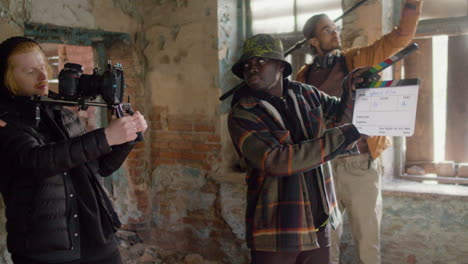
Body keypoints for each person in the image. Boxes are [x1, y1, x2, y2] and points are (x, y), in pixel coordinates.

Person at [0, 36, 148, 264]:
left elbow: (98, 168)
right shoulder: (6, 124)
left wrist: (126, 138)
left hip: (99, 239)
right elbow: (37, 162)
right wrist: (106, 136)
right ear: (7, 79)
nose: (42, 77)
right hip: (46, 251)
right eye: (29, 71)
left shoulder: (61, 113)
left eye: (42, 67)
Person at [296, 1, 423, 263]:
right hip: (324, 167)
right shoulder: (303, 76)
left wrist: (412, 5)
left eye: (335, 28)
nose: (336, 33)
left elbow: (401, 38)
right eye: (327, 30)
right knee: (326, 242)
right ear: (313, 42)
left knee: (367, 241)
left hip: (360, 164)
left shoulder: (357, 59)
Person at [228, 34, 369, 264]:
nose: (251, 68)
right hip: (277, 230)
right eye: (246, 65)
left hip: (318, 223)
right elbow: (276, 161)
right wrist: (342, 137)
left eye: (260, 61)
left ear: (281, 66)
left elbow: (340, 116)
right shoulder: (243, 112)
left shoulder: (306, 94)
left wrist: (351, 89)